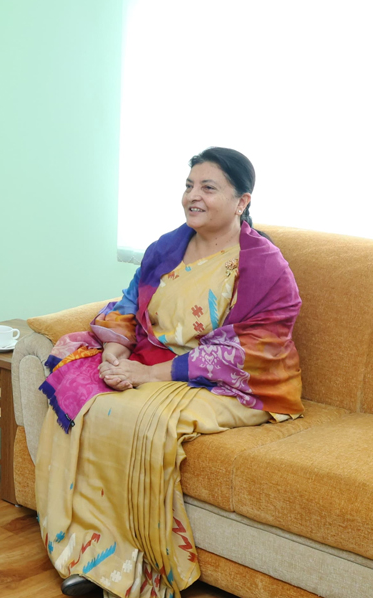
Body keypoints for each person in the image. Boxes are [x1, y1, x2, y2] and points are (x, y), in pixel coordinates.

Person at [35, 148, 302, 598]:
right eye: (189, 185)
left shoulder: (263, 264)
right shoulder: (168, 247)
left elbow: (253, 349)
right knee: (80, 388)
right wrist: (116, 352)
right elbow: (128, 302)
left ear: (242, 201)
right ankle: (90, 549)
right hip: (149, 360)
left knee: (135, 418)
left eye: (208, 188)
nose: (193, 196)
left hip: (233, 384)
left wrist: (148, 375)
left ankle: (139, 561)